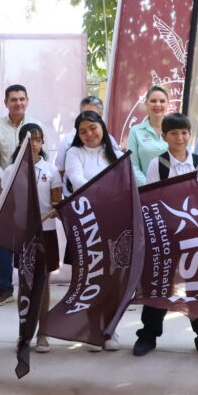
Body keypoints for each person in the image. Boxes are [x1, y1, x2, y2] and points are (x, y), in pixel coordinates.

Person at [133, 113, 198, 357]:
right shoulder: (158, 164)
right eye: (174, 133)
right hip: (166, 234)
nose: (179, 138)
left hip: (195, 233)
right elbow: (151, 199)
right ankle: (148, 335)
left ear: (190, 135)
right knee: (159, 283)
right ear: (164, 136)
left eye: (184, 133)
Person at [63, 110, 123, 351]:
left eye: (93, 128)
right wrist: (104, 193)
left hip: (114, 222)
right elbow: (77, 180)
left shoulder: (117, 154)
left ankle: (110, 329)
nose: (89, 134)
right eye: (83, 131)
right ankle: (93, 329)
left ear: (102, 127)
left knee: (113, 277)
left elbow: (124, 184)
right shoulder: (74, 153)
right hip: (86, 223)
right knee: (90, 277)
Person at [5, 123, 62, 353]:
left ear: (43, 142)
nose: (34, 144)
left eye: (38, 140)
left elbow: (57, 204)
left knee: (43, 284)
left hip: (46, 232)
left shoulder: (51, 170)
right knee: (25, 283)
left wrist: (55, 210)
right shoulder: (11, 171)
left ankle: (43, 333)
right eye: (29, 140)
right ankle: (24, 333)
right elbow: (9, 205)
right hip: (24, 234)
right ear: (20, 143)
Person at [0, 84, 32, 307]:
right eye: (13, 99)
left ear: (27, 101)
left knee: (28, 241)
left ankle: (29, 286)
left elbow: (41, 157)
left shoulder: (35, 127)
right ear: (6, 103)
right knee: (3, 243)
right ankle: (5, 288)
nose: (18, 103)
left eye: (22, 99)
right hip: (3, 195)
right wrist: (9, 183)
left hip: (29, 197)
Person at [55, 96, 118, 177]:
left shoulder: (111, 141)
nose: (89, 134)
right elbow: (60, 170)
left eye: (92, 114)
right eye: (84, 113)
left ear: (100, 116)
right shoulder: (68, 140)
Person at [126, 85, 170, 187]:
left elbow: (184, 160)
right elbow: (133, 166)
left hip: (173, 189)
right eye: (153, 101)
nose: (158, 104)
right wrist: (150, 187)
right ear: (146, 103)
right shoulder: (135, 131)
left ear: (167, 104)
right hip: (145, 190)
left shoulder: (176, 129)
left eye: (162, 101)